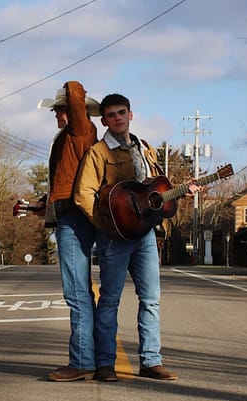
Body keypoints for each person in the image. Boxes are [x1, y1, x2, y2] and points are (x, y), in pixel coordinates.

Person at [73, 93, 200, 382]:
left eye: (122, 112)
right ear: (104, 120)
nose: (117, 118)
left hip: (145, 237)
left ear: (131, 115)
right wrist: (107, 224)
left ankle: (151, 361)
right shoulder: (98, 153)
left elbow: (154, 192)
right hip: (115, 238)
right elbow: (83, 195)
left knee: (151, 299)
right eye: (111, 115)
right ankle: (105, 364)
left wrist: (184, 191)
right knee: (109, 301)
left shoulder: (146, 150)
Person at [34, 81, 100, 382]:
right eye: (56, 110)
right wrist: (43, 206)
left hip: (75, 220)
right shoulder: (70, 140)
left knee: (76, 293)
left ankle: (83, 361)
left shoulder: (81, 131)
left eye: (61, 109)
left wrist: (68, 90)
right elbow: (65, 183)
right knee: (81, 292)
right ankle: (92, 359)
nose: (57, 114)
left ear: (76, 112)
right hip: (68, 216)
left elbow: (74, 91)